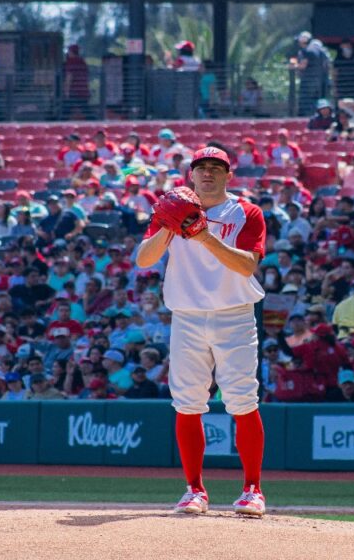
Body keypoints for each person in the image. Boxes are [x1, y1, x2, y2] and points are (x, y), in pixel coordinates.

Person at [136, 146, 267, 518]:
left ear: (229, 175)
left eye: (216, 167)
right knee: (187, 402)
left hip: (235, 313)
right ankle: (194, 489)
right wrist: (168, 223)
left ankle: (252, 489)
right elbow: (144, 259)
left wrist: (202, 233)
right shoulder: (170, 208)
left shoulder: (246, 212)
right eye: (201, 167)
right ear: (190, 174)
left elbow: (246, 266)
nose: (208, 173)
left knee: (243, 399)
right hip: (188, 314)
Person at [63, 45, 91, 120]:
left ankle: (58, 125)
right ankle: (96, 123)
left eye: (69, 51)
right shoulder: (82, 62)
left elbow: (69, 76)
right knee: (86, 109)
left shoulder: (71, 61)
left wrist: (66, 91)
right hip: (83, 90)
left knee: (65, 110)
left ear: (71, 52)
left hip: (74, 91)